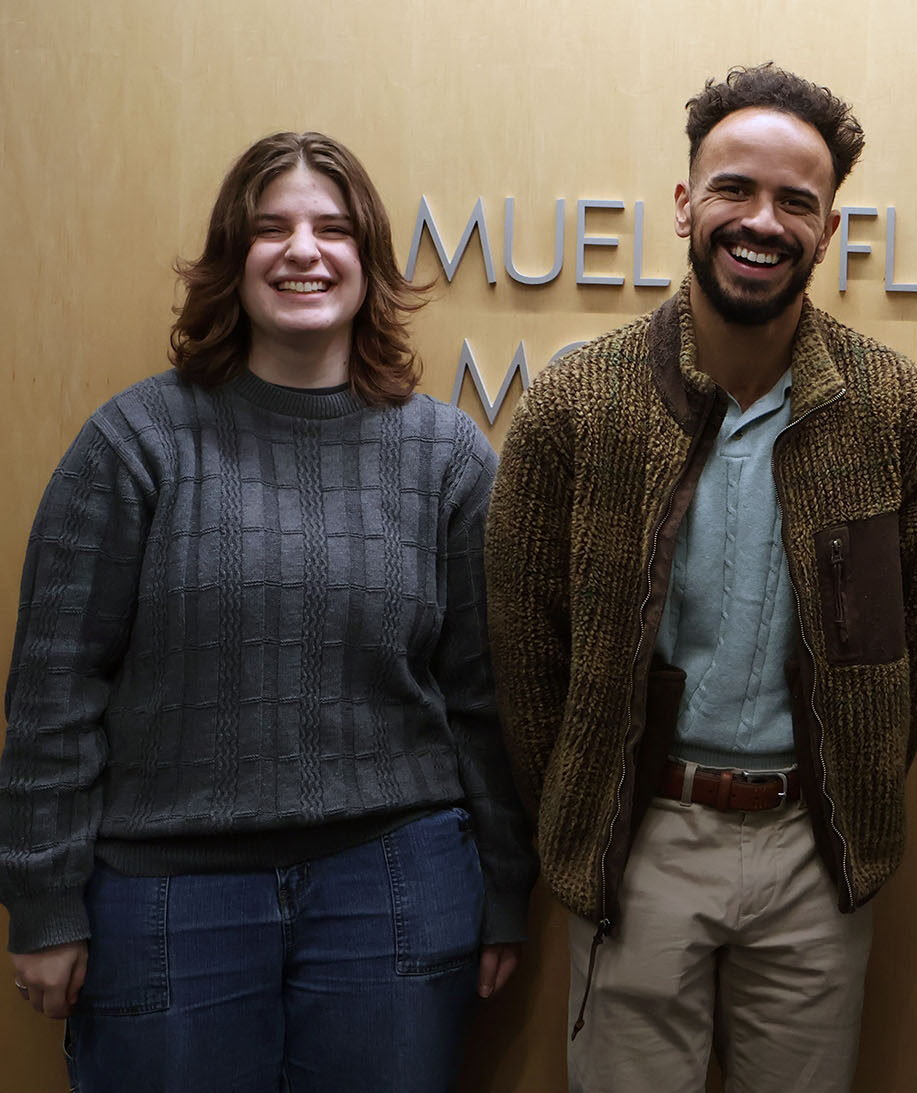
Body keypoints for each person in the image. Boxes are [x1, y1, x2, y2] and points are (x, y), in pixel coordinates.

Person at [0, 131, 535, 1090]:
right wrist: (42, 905)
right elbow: (52, 695)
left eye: (333, 228)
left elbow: (484, 701)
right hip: (168, 907)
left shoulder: (449, 459)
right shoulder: (133, 445)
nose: (303, 250)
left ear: (368, 261)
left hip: (395, 892)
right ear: (230, 259)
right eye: (270, 228)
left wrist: (504, 891)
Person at [486, 63, 917, 1093]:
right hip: (637, 842)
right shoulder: (580, 401)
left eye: (797, 200)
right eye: (734, 189)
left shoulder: (894, 410)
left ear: (828, 228)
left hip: (813, 850)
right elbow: (526, 655)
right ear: (683, 204)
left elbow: (915, 644)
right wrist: (583, 812)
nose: (763, 220)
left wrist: (850, 784)